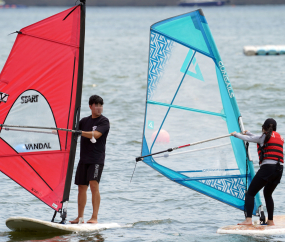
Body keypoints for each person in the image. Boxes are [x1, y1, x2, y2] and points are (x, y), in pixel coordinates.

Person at [231, 118, 283, 226]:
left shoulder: (263, 137)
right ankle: (270, 221)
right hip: (279, 170)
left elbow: (251, 139)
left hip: (268, 168)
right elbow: (257, 138)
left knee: (250, 193)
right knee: (268, 194)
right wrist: (249, 132)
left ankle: (248, 220)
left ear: (264, 128)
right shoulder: (280, 137)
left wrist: (236, 134)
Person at [70, 95, 110, 224]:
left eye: (101, 105)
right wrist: (59, 130)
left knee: (94, 185)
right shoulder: (84, 121)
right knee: (81, 187)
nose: (99, 108)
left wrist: (79, 132)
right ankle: (80, 217)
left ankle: (94, 217)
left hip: (96, 159)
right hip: (83, 159)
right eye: (96, 105)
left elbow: (97, 135)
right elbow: (71, 129)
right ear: (90, 107)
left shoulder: (104, 121)